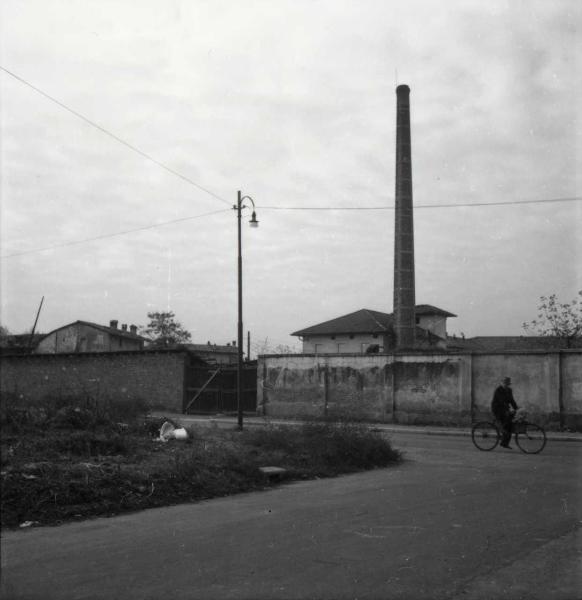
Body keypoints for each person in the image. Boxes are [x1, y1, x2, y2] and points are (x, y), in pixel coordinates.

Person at [491, 376, 518, 448]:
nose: (506, 385)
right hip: (497, 409)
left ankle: (504, 443)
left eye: (507, 384)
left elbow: (512, 400)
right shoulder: (498, 390)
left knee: (510, 425)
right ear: (501, 383)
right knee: (506, 424)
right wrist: (508, 410)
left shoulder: (509, 390)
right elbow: (501, 401)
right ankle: (503, 432)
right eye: (504, 383)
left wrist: (516, 408)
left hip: (505, 409)